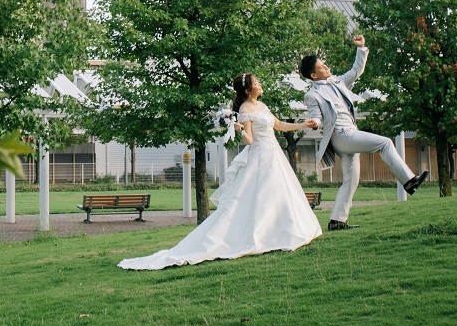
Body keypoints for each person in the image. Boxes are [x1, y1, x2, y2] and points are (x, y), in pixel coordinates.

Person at [118, 74, 321, 270]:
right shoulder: (245, 108)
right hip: (260, 156)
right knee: (258, 197)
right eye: (256, 82)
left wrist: (304, 124)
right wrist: (240, 129)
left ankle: (282, 231)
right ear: (248, 90)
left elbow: (278, 125)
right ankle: (261, 235)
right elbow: (250, 140)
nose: (260, 84)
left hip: (274, 155)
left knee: (279, 194)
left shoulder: (263, 106)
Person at [301, 35, 429, 231]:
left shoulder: (337, 81)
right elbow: (315, 115)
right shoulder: (312, 95)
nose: (326, 67)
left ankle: (337, 221)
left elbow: (356, 71)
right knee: (385, 143)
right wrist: (315, 123)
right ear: (314, 75)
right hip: (341, 135)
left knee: (351, 180)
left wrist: (361, 48)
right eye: (321, 66)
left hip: (351, 133)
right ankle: (409, 181)